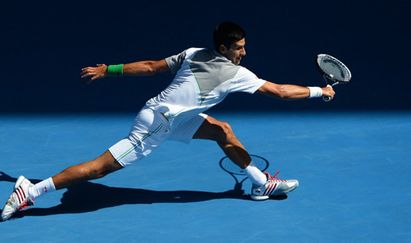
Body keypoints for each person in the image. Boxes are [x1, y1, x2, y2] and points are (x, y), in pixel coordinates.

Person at [1, 21, 334, 221]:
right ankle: (31, 189)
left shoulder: (193, 52)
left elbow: (149, 66)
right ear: (223, 47)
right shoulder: (235, 74)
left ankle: (261, 183)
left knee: (223, 131)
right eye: (239, 48)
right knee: (98, 169)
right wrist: (319, 91)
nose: (244, 53)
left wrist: (107, 70)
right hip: (156, 126)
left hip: (171, 116)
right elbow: (278, 92)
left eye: (245, 47)